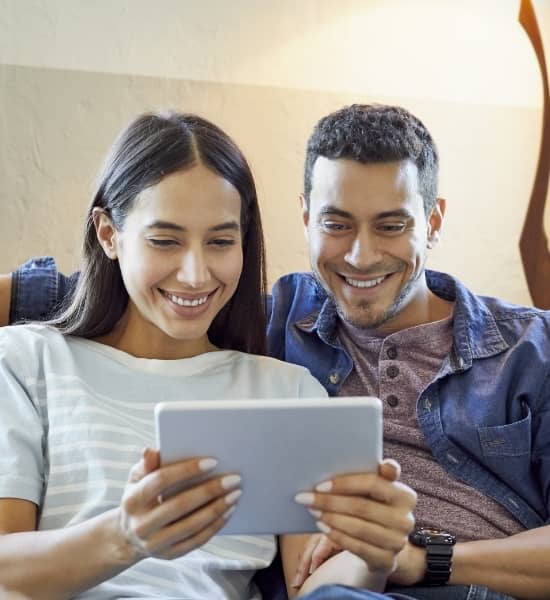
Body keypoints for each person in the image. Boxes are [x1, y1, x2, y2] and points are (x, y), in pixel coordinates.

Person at [3, 103, 549, 599]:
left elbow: (316, 581)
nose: (361, 255)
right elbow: (115, 293)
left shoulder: (286, 383)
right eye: (337, 224)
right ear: (307, 219)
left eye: (390, 224)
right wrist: (128, 534)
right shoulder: (280, 321)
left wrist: (390, 554)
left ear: (432, 222)